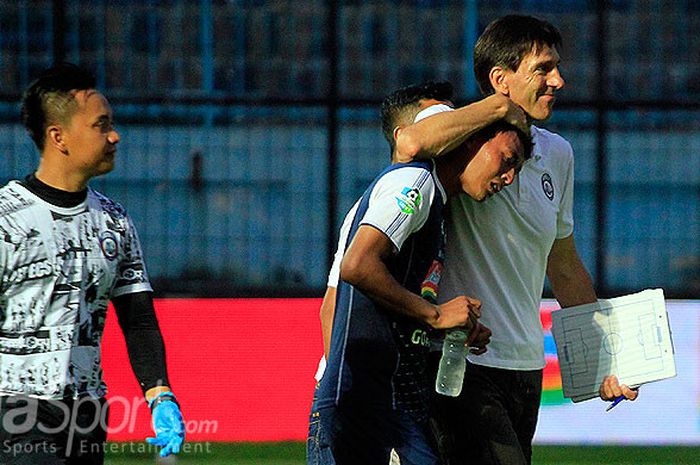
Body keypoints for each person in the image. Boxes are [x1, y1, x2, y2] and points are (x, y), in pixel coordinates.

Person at [393, 15, 638, 465]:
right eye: (543, 69)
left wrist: (602, 360)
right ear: (500, 79)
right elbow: (409, 141)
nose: (558, 80)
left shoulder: (558, 153)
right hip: (461, 361)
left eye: (557, 67)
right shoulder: (463, 138)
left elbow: (563, 264)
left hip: (526, 369)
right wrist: (498, 108)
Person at [310, 81, 532, 465]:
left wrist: (443, 325)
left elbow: (374, 303)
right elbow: (357, 266)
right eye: (506, 160)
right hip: (363, 400)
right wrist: (436, 314)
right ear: (468, 142)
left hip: (393, 402)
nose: (509, 178)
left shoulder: (438, 208)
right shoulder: (412, 183)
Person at [0, 63, 185, 464]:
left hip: (88, 415)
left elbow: (137, 320)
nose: (114, 135)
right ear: (58, 136)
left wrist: (160, 395)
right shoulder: (6, 220)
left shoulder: (115, 222)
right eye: (101, 125)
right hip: (14, 411)